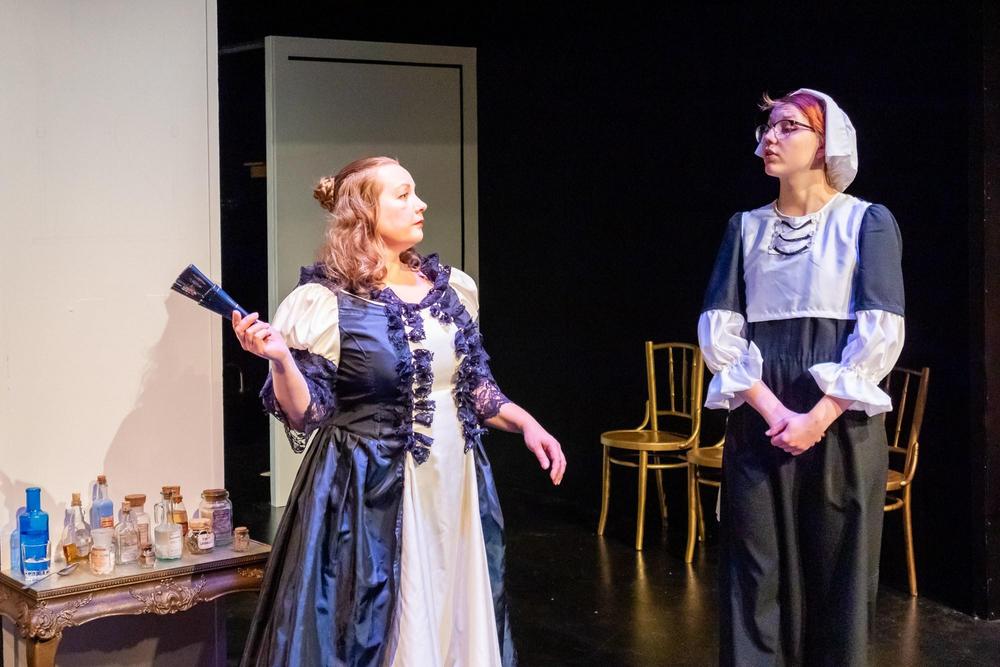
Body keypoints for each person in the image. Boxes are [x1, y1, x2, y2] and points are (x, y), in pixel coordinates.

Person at [231, 156, 566, 666]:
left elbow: (473, 387)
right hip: (367, 491)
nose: (420, 204)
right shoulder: (325, 302)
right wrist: (280, 360)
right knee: (381, 624)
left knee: (454, 612)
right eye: (403, 195)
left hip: (453, 484)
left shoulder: (451, 289)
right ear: (364, 213)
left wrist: (525, 422)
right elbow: (305, 413)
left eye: (416, 192)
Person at [698, 89, 905, 666]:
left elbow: (882, 329)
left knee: (839, 576)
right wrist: (774, 412)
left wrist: (818, 417)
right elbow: (719, 330)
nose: (770, 137)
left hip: (839, 419)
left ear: (824, 143)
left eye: (788, 127)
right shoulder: (744, 228)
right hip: (761, 417)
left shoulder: (866, 222)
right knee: (754, 573)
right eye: (767, 127)